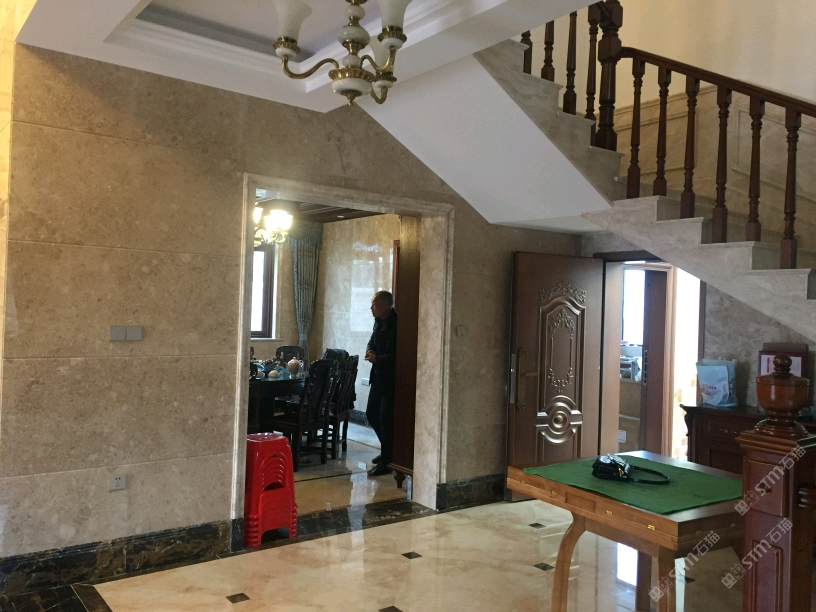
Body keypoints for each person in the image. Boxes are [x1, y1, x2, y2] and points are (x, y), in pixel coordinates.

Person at [365, 290, 398, 476]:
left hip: (390, 378)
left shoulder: (397, 323)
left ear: (386, 306)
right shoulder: (378, 322)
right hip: (377, 376)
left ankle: (387, 460)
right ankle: (388, 451)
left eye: (375, 304)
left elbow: (399, 354)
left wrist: (379, 359)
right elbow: (372, 341)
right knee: (371, 414)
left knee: (385, 420)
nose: (371, 308)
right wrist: (370, 351)